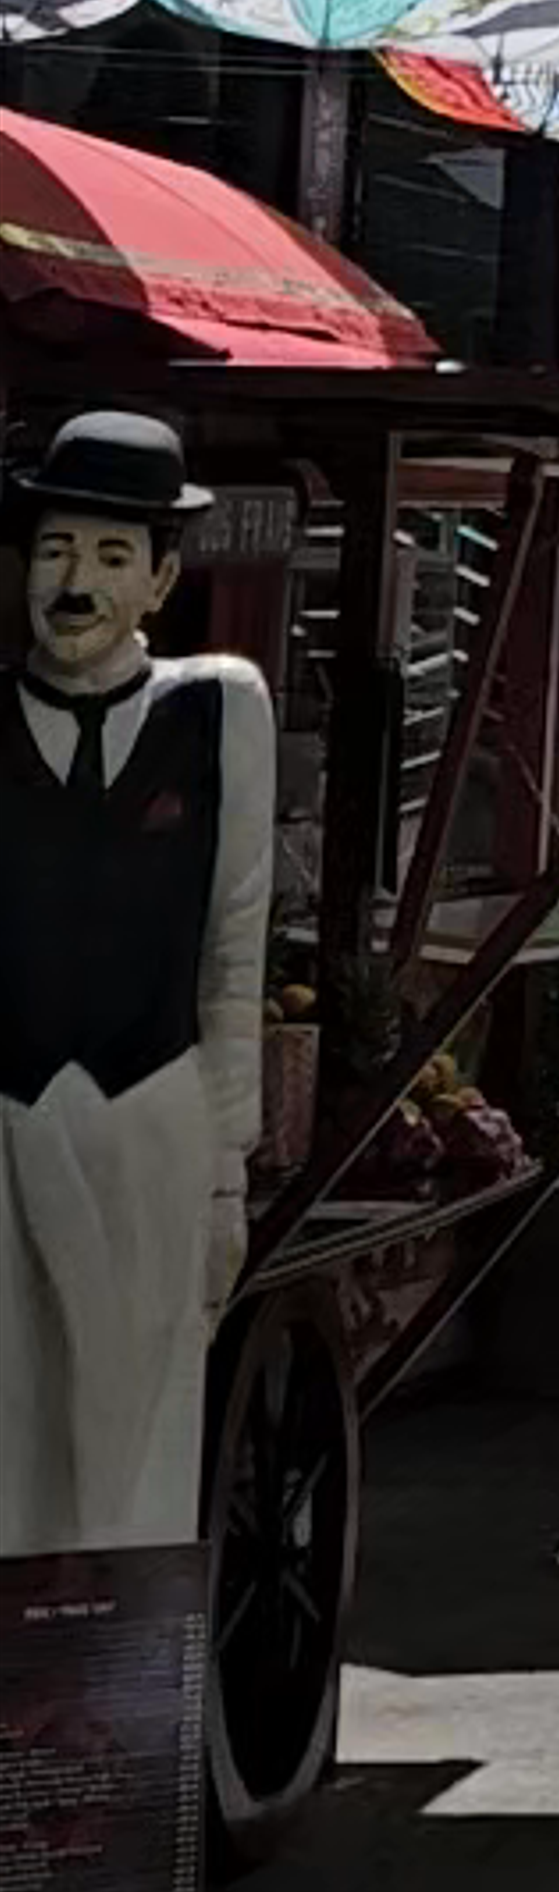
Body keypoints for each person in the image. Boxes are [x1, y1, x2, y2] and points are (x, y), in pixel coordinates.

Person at [3, 405, 275, 1550]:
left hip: (150, 1109)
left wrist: (227, 1177)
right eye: (60, 549)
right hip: (5, 1114)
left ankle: (107, 1713)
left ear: (162, 577)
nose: (79, 580)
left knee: (142, 1432)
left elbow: (235, 943)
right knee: (9, 1432)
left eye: (115, 554)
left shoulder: (219, 709)